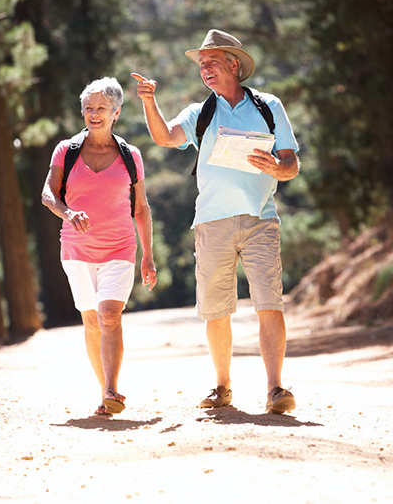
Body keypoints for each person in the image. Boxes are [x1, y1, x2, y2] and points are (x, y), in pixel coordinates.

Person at [131, 30, 299, 414]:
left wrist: (277, 166)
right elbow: (164, 137)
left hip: (261, 219)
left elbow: (291, 164)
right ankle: (222, 388)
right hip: (211, 222)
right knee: (216, 309)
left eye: (212, 61)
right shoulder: (198, 113)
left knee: (269, 304)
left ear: (234, 65)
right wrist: (149, 101)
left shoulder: (269, 106)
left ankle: (275, 389)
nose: (204, 69)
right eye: (201, 64)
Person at [41, 77, 157, 416]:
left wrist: (148, 255)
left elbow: (141, 207)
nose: (94, 114)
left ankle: (111, 389)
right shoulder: (67, 150)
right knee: (91, 320)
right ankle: (103, 387)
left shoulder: (130, 156)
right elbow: (49, 193)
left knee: (109, 315)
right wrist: (67, 211)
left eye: (101, 108)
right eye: (89, 108)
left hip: (120, 249)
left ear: (116, 112)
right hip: (76, 250)